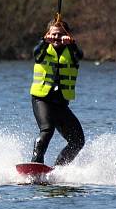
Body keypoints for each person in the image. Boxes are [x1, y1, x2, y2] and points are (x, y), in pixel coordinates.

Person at [29, 18, 85, 166]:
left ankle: (58, 168)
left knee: (78, 140)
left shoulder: (72, 52)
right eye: (53, 34)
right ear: (48, 34)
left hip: (60, 104)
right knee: (47, 129)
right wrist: (43, 40)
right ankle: (36, 163)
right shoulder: (42, 49)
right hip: (42, 99)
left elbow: (79, 55)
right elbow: (36, 53)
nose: (57, 38)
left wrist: (71, 44)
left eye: (60, 35)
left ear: (67, 36)